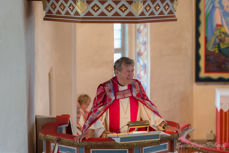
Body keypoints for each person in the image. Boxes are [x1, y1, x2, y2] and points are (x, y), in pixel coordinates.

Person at [77, 57, 177, 141]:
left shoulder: (136, 85)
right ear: (117, 72)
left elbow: (147, 109)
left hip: (135, 139)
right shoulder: (106, 88)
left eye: (132, 70)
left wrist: (163, 125)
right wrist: (90, 131)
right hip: (112, 140)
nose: (131, 74)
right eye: (127, 71)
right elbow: (97, 115)